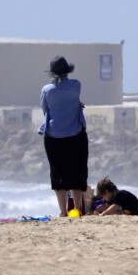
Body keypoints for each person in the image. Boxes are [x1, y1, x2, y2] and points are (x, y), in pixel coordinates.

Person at [39, 55, 89, 217]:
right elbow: (74, 100)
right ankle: (77, 208)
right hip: (75, 134)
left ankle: (62, 211)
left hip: (54, 135)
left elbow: (46, 110)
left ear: (53, 73)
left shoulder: (46, 90)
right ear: (68, 71)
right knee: (78, 171)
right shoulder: (76, 85)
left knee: (58, 173)